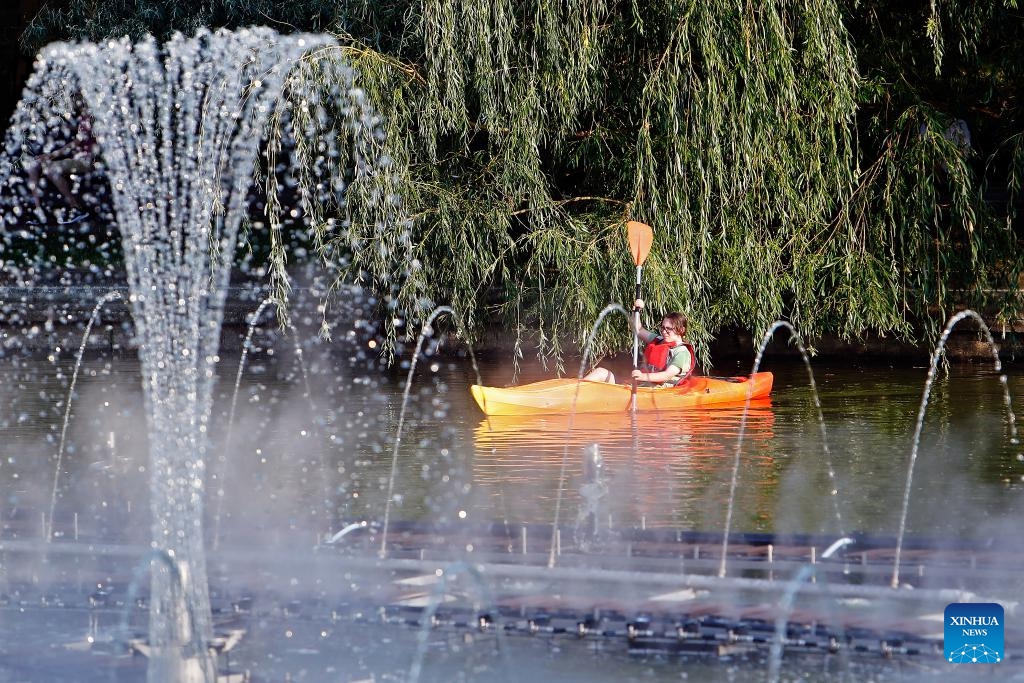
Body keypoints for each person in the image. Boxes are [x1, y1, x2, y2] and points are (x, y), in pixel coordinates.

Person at [583, 299, 696, 387]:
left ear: (681, 330)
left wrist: (642, 376)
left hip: (659, 390)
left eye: (668, 329)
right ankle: (575, 392)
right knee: (600, 372)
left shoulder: (682, 353)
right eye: (662, 328)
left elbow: (667, 375)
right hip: (642, 385)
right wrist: (636, 310)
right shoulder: (658, 340)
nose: (664, 331)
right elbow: (638, 329)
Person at [23, 95, 96, 224]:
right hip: (72, 157)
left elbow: (76, 142)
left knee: (52, 169)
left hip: (85, 160)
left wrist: (50, 156)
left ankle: (77, 208)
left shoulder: (90, 116)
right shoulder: (78, 117)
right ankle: (39, 210)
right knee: (32, 165)